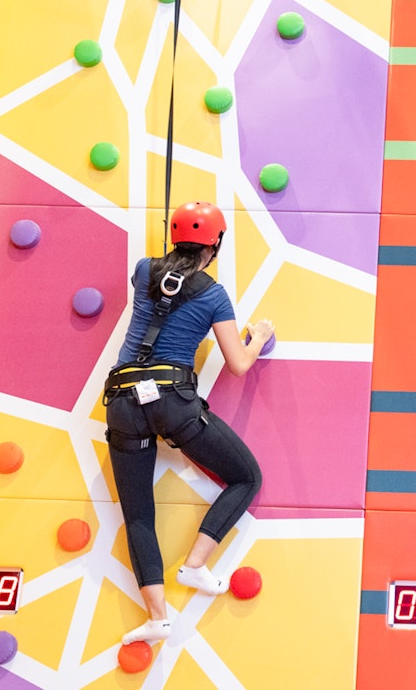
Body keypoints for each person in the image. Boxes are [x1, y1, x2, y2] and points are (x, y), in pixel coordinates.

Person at [104, 201, 273, 646]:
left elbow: (157, 292)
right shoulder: (213, 295)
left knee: (138, 512)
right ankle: (195, 564)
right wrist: (257, 337)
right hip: (173, 402)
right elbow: (237, 364)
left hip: (121, 401)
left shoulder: (144, 270)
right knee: (246, 476)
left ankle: (158, 617)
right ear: (214, 245)